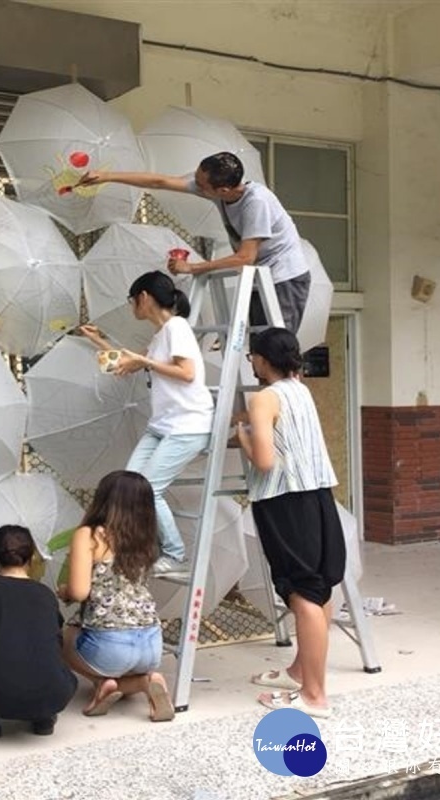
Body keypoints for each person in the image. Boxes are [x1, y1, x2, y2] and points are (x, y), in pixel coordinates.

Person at [235, 328, 345, 719]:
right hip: (318, 496)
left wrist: (243, 435)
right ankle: (301, 671)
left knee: (302, 595)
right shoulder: (301, 390)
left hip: (284, 501)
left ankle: (315, 695)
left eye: (252, 357)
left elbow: (264, 461)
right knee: (320, 587)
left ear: (263, 360)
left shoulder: (265, 398)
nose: (252, 363)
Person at [79, 151, 311, 333]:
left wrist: (193, 268)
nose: (195, 186)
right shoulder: (218, 191)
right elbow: (161, 182)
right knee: (260, 350)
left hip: (284, 276)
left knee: (277, 348)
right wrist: (108, 176)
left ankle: (282, 393)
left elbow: (245, 257)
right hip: (260, 276)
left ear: (222, 189)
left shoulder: (256, 202)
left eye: (201, 185)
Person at [80, 270, 214, 575]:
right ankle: (142, 548)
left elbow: (187, 373)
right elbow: (124, 361)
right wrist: (97, 340)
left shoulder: (177, 327)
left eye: (132, 301)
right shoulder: (161, 335)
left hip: (188, 424)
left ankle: (176, 555)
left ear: (143, 298)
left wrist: (145, 362)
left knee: (150, 489)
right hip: (163, 425)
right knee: (129, 486)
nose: (132, 308)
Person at [57, 471, 176, 723]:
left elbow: (80, 592)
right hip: (152, 645)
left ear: (103, 498)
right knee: (129, 665)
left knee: (64, 636)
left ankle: (103, 682)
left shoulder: (90, 535)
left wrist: (64, 591)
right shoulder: (147, 537)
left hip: (110, 646)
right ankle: (147, 681)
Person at [0, 525, 78, 739]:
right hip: (55, 694)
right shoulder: (45, 594)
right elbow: (55, 640)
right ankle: (42, 718)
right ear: (31, 557)